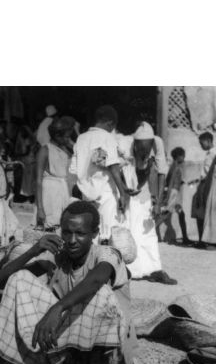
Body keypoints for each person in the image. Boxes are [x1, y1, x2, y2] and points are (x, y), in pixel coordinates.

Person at [0, 201, 138, 364]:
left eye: (80, 233)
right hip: (69, 337)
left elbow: (96, 279)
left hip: (106, 347)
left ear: (95, 233)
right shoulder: (59, 256)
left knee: (100, 293)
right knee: (19, 279)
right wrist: (34, 250)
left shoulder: (107, 254)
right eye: (66, 233)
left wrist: (56, 308)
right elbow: (0, 282)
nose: (72, 240)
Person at [117, 123, 177, 285]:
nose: (143, 151)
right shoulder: (125, 144)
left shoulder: (157, 143)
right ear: (135, 144)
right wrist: (123, 190)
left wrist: (157, 200)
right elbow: (117, 169)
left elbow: (161, 171)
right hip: (128, 186)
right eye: (140, 148)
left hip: (144, 189)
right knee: (130, 228)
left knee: (149, 230)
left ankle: (154, 269)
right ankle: (133, 271)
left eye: (146, 148)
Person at [69, 105, 129, 242]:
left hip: (86, 192)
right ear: (110, 123)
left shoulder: (81, 138)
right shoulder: (107, 138)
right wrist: (123, 193)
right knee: (107, 234)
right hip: (105, 193)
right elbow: (113, 167)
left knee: (89, 231)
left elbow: (73, 169)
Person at [35, 118, 73, 230]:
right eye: (66, 137)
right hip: (49, 192)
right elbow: (38, 180)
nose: (68, 139)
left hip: (62, 191)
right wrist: (40, 208)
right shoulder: (45, 150)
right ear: (57, 136)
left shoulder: (64, 150)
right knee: (49, 225)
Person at [161, 146, 192, 245]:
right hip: (174, 193)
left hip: (175, 192)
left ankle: (185, 237)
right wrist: (168, 196)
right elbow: (170, 182)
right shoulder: (175, 167)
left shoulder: (174, 166)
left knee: (180, 214)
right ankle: (152, 231)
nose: (184, 158)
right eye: (183, 156)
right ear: (178, 156)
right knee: (166, 214)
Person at [192, 132, 216, 245]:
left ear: (208, 141)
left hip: (207, 185)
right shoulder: (209, 154)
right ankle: (202, 239)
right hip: (203, 183)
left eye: (202, 143)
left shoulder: (213, 154)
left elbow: (210, 173)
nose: (201, 145)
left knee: (202, 212)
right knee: (199, 212)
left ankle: (204, 240)